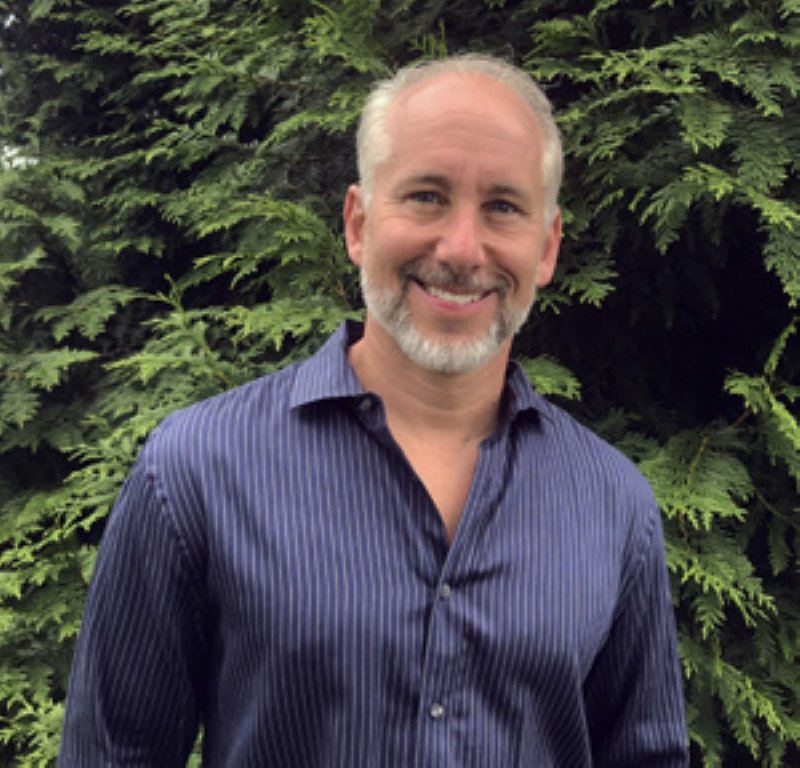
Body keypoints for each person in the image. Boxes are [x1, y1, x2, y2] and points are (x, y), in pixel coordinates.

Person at [59, 54, 689, 766]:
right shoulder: (197, 470)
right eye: (426, 196)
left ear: (545, 248)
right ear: (358, 224)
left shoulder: (613, 504)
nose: (461, 249)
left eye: (503, 208)